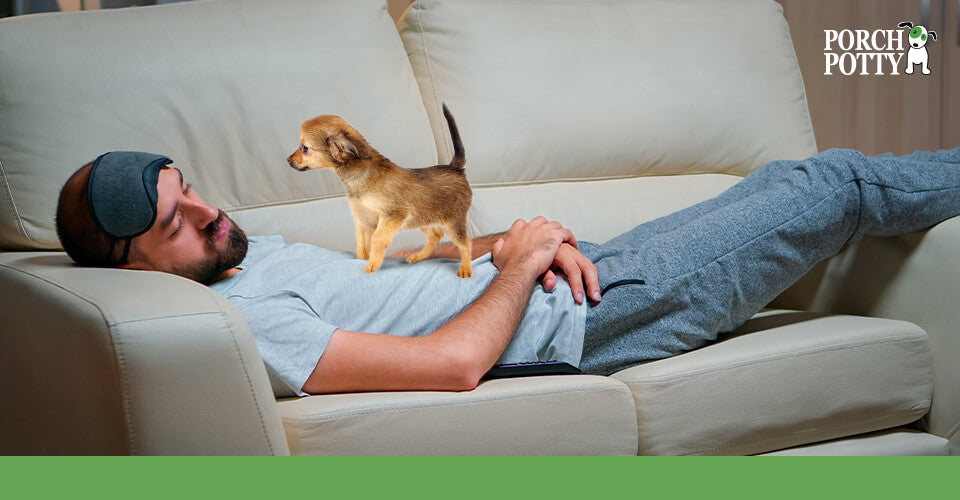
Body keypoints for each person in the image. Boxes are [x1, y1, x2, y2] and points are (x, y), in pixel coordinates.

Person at [55, 147, 960, 397]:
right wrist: (522, 270)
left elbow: (393, 284)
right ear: (131, 265)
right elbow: (449, 367)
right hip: (593, 318)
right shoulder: (235, 324)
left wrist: (512, 243)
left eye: (191, 192)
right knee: (832, 185)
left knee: (780, 178)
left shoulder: (245, 261)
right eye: (176, 223)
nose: (209, 213)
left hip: (578, 273)